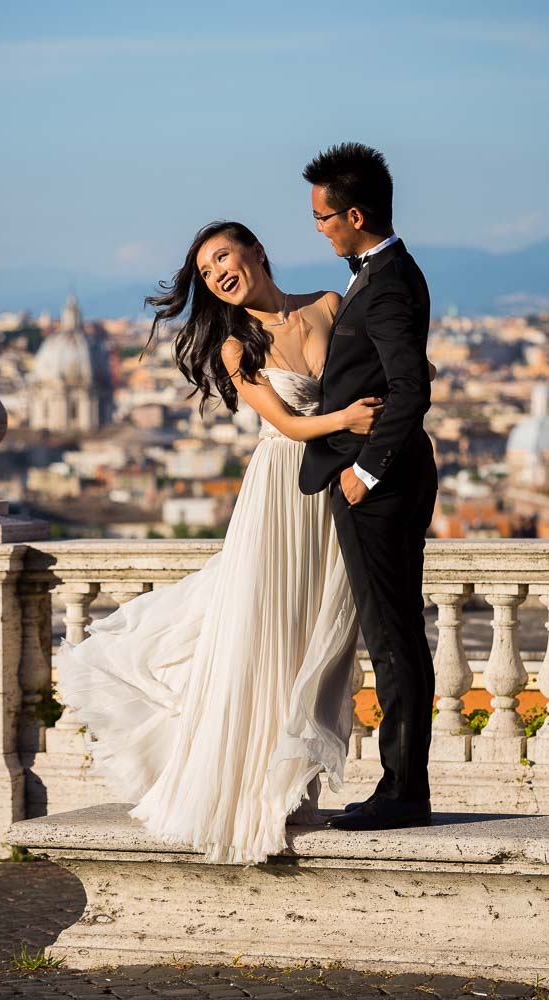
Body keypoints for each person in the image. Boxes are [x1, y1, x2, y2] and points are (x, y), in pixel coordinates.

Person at [55, 220, 384, 864]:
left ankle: (297, 785)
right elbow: (288, 423)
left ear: (257, 252)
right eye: (206, 273)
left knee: (322, 634)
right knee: (267, 633)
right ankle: (260, 794)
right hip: (281, 491)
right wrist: (346, 418)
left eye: (223, 259)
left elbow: (375, 366)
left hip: (335, 492)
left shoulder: (329, 303)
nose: (218, 276)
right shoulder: (238, 344)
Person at [299, 142, 438, 831]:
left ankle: (402, 793)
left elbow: (411, 385)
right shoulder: (391, 273)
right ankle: (401, 786)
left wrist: (363, 470)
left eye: (323, 217)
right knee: (398, 632)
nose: (318, 228)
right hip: (400, 469)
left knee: (389, 636)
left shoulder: (383, 283)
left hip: (376, 479)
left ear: (354, 215)